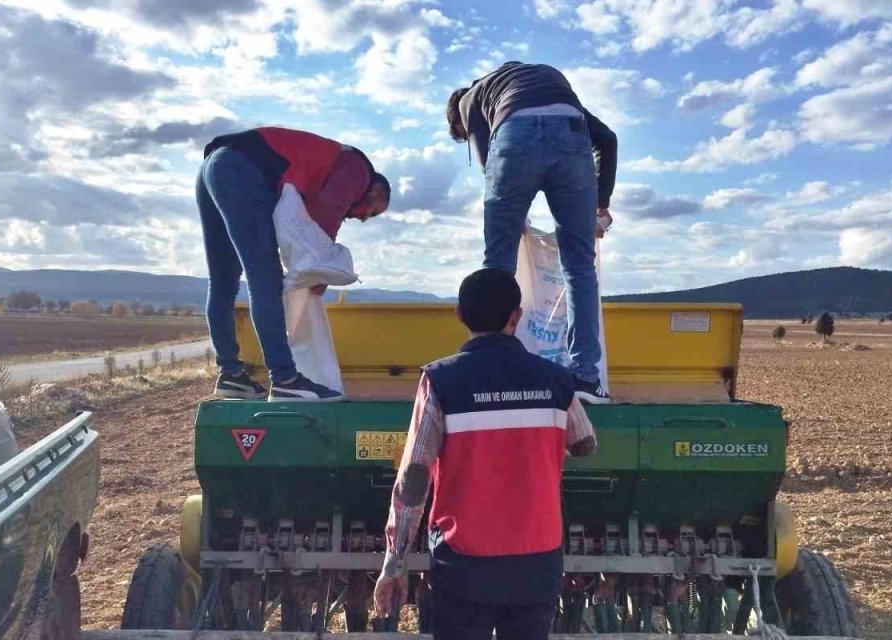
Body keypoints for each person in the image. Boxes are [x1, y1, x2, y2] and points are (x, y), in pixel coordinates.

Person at [372, 268, 597, 640]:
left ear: (460, 315)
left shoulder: (441, 380)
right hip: (537, 562)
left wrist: (394, 564)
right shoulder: (556, 380)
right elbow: (584, 444)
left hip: (464, 564)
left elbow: (414, 477)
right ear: (516, 316)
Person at [447, 61, 618, 404]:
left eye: (462, 134)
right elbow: (608, 139)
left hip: (514, 140)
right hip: (572, 139)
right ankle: (586, 378)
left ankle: (490, 370)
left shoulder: (471, 98)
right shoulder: (544, 87)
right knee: (579, 267)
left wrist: (515, 217)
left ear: (457, 116)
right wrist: (600, 204)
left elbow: (489, 164)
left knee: (497, 265)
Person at [198, 127, 391, 402]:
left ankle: (231, 374)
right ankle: (286, 379)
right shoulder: (359, 171)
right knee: (264, 277)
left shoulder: (321, 174)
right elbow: (328, 212)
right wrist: (319, 269)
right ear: (375, 191)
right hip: (240, 169)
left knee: (222, 280)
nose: (362, 218)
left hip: (213, 167)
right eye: (372, 213)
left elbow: (297, 228)